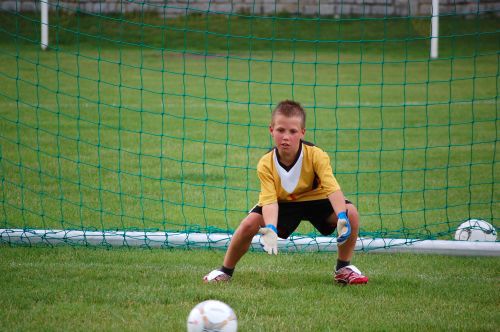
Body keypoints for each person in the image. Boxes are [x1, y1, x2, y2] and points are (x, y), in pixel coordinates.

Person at [204, 100, 368, 285]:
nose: (286, 137)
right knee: (249, 223)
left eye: (293, 131)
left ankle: (343, 268)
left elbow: (332, 188)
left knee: (351, 213)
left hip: (317, 200)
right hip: (283, 204)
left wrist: (341, 216)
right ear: (271, 130)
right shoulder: (266, 163)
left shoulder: (316, 155)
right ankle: (225, 271)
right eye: (281, 130)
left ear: (302, 133)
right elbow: (270, 201)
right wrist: (271, 229)